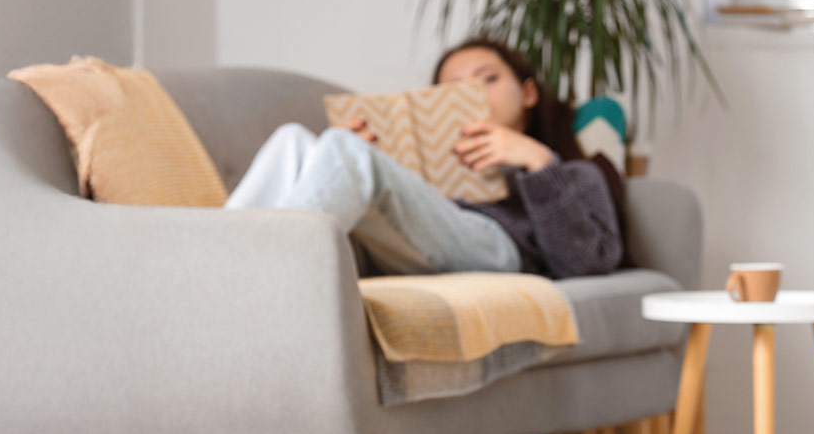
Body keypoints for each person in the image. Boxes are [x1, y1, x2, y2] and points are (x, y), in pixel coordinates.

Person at [224, 38, 627, 279]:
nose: (475, 92)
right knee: (294, 140)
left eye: (488, 79)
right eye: (454, 88)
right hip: (414, 234)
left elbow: (587, 265)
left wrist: (538, 162)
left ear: (528, 93)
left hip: (499, 249)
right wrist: (351, 164)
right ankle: (213, 260)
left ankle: (265, 281)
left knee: (343, 150)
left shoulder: (574, 173)